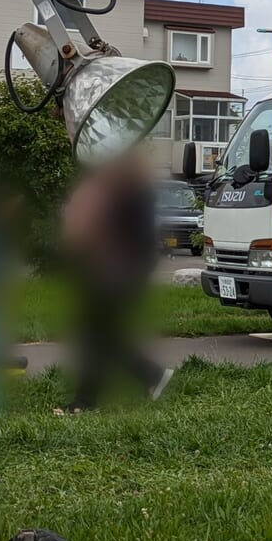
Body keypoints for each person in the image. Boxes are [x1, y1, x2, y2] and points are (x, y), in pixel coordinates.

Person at [55, 146, 173, 414]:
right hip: (115, 270)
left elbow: (129, 238)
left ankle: (87, 401)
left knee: (96, 334)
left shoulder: (132, 191)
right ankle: (150, 376)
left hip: (118, 272)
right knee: (99, 334)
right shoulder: (131, 189)